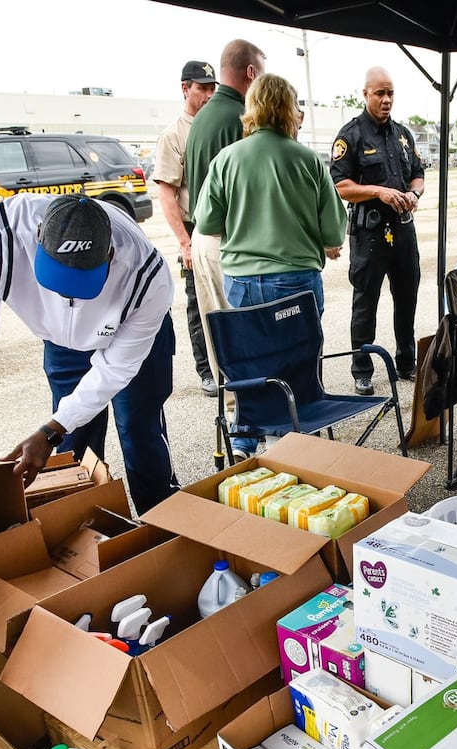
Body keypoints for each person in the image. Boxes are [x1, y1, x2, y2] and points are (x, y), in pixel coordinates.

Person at [0, 193, 179, 512]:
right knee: (71, 445)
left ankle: (164, 524)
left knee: (140, 429)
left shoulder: (147, 275)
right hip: (60, 340)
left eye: (80, 282)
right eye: (57, 278)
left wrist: (49, 431)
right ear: (37, 236)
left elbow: (115, 369)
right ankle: (84, 532)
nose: (65, 293)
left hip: (128, 331)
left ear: (111, 256)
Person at [194, 74, 346, 457]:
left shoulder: (226, 159)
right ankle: (292, 443)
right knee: (297, 365)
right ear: (288, 109)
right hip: (296, 281)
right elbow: (334, 231)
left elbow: (208, 223)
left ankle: (244, 440)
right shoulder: (309, 160)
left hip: (241, 281)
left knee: (247, 363)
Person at [184, 38, 265, 427]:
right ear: (250, 73)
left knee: (220, 333)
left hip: (204, 235)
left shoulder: (203, 115)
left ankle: (235, 413)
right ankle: (249, 419)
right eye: (261, 74)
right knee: (244, 334)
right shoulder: (240, 119)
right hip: (230, 241)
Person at [331, 66, 426, 395]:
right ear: (366, 94)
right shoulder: (351, 135)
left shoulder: (403, 134)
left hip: (403, 232)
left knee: (407, 300)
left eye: (390, 93)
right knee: (365, 304)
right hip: (369, 233)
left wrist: (414, 193)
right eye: (379, 94)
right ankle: (362, 369)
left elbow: (418, 174)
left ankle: (406, 362)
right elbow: (341, 186)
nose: (386, 100)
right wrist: (378, 191)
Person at [153, 59, 218, 397]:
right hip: (194, 226)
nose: (208, 94)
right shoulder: (175, 133)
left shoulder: (222, 123)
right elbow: (167, 192)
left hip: (223, 225)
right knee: (198, 303)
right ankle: (206, 370)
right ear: (185, 89)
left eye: (212, 88)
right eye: (201, 88)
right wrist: (184, 242)